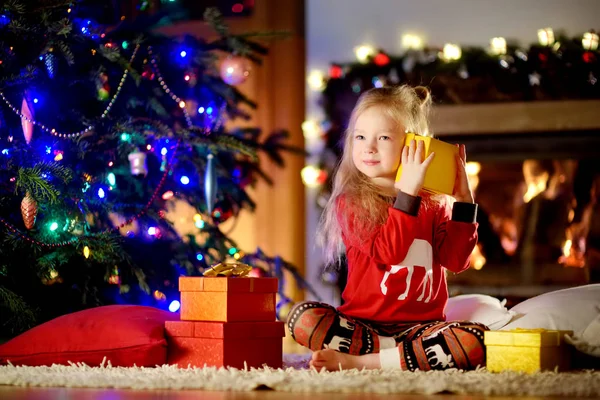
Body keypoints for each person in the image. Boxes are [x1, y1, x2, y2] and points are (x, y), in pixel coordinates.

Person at [289, 86, 487, 371]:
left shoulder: (434, 203)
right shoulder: (352, 201)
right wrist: (407, 194)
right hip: (362, 328)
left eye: (383, 137)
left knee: (474, 340)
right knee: (303, 318)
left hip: (420, 327)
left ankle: (361, 362)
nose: (369, 147)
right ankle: (400, 356)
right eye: (360, 136)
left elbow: (456, 261)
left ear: (414, 145)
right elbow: (390, 252)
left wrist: (464, 202)